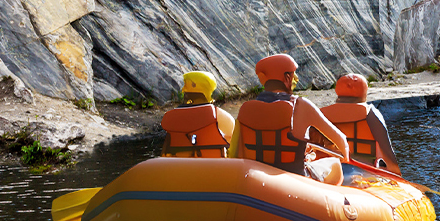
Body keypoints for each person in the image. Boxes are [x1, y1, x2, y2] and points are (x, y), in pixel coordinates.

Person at [230, 54, 350, 185]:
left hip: (257, 176)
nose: (296, 78)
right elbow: (340, 139)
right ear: (287, 77)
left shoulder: (246, 109)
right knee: (334, 163)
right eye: (293, 73)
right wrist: (345, 156)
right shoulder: (301, 105)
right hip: (296, 177)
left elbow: (235, 151)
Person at [316, 73, 401, 175]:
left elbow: (312, 148)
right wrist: (396, 175)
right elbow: (388, 155)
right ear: (364, 90)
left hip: (328, 171)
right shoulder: (370, 113)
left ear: (337, 90)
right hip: (363, 172)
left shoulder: (320, 113)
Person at [160, 71, 235, 158]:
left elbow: (166, 148)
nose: (183, 89)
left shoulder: (170, 116)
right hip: (213, 163)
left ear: (194, 85)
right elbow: (233, 144)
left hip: (179, 163)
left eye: (185, 85)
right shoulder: (222, 116)